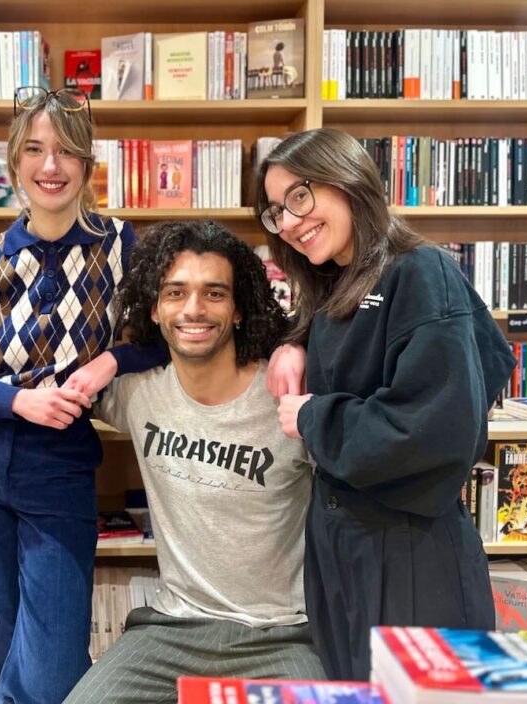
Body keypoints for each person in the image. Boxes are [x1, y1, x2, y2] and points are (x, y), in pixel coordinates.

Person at [0, 86, 163, 704]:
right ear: (14, 163)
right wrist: (17, 401)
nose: (50, 166)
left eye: (65, 151)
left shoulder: (120, 245)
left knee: (54, 671)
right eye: (34, 150)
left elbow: (163, 342)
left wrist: (110, 359)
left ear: (87, 163)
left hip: (57, 471)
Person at [255, 128, 517, 681]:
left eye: (299, 196)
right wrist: (293, 340)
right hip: (340, 547)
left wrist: (310, 416)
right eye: (277, 210)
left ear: (347, 178)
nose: (290, 222)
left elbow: (433, 429)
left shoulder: (420, 270)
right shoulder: (338, 278)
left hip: (409, 550)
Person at [62, 220, 324, 703]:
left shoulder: (288, 397)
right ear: (156, 310)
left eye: (214, 294)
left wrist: (297, 344)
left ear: (240, 308)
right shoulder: (139, 394)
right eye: (175, 293)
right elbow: (45, 376)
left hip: (282, 634)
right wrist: (115, 359)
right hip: (169, 630)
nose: (194, 310)